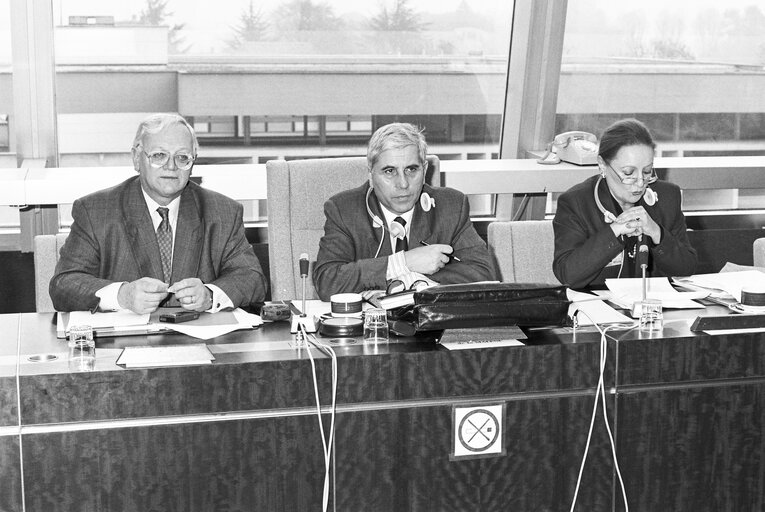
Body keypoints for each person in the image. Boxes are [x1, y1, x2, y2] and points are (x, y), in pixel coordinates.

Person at [50, 113, 267, 313]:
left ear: (193, 163)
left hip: (201, 343)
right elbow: (64, 285)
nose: (171, 166)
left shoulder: (222, 212)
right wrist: (122, 295)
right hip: (122, 347)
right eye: (159, 155)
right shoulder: (95, 211)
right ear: (136, 158)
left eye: (182, 157)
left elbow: (252, 279)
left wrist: (210, 295)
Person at [313, 122, 496, 301]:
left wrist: (417, 283)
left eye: (411, 169)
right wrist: (403, 263)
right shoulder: (344, 210)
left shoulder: (451, 206)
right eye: (389, 171)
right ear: (371, 175)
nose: (403, 184)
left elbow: (484, 275)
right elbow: (327, 282)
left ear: (424, 170)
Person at [552, 118, 697, 289]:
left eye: (647, 171)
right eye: (628, 173)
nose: (640, 183)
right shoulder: (576, 203)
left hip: (655, 308)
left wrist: (657, 233)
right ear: (602, 165)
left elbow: (686, 268)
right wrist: (613, 232)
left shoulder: (667, 197)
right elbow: (567, 274)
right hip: (598, 309)